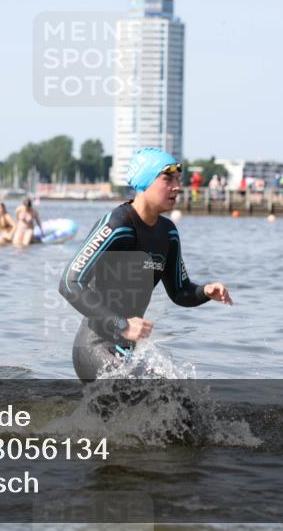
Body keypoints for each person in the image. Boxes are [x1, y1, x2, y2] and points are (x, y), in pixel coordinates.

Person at [59, 148, 232, 382]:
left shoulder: (168, 232)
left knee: (182, 404)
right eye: (167, 179)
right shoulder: (117, 225)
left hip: (126, 350)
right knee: (159, 395)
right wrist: (120, 324)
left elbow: (180, 291)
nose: (177, 186)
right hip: (95, 348)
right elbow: (70, 283)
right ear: (145, 181)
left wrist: (205, 291)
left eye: (178, 180)